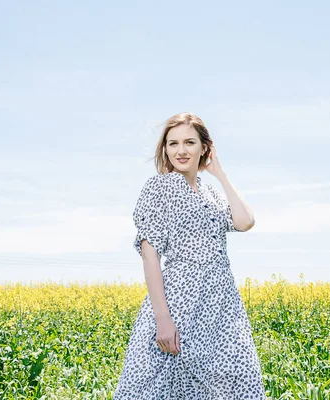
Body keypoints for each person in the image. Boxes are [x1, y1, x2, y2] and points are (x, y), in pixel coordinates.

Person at [113, 112, 267, 399]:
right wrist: (162, 319)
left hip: (221, 304)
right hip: (180, 300)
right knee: (165, 383)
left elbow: (245, 221)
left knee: (235, 380)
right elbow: (150, 255)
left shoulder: (211, 193)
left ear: (204, 148)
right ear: (165, 149)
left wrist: (219, 173)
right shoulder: (159, 187)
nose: (180, 151)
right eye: (173, 144)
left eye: (189, 142)